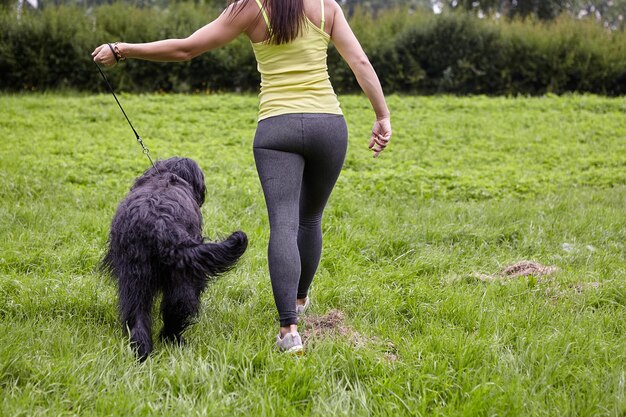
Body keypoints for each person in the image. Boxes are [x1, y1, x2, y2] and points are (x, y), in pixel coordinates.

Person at [92, 0, 391, 353]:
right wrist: (381, 115)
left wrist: (122, 49)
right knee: (310, 218)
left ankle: (289, 332)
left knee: (284, 224)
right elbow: (359, 62)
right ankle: (299, 302)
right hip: (328, 125)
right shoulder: (327, 6)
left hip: (277, 128)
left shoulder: (253, 8)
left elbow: (187, 48)